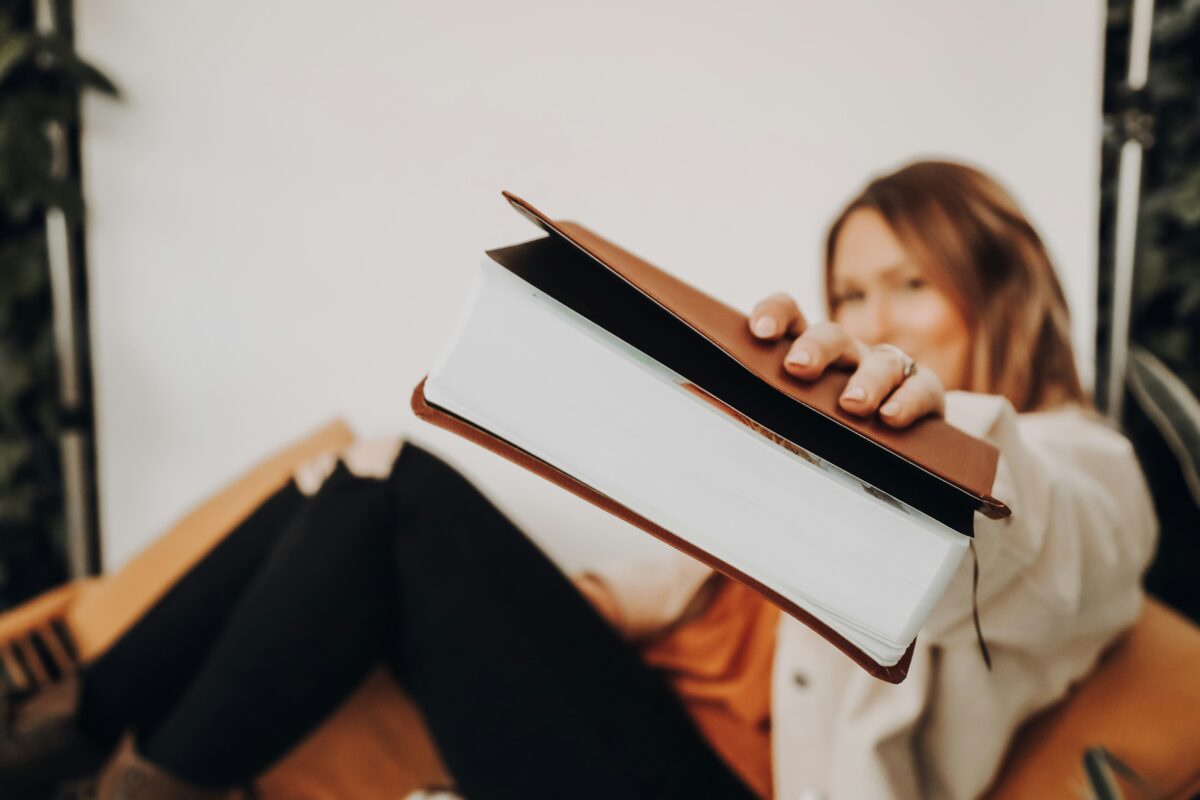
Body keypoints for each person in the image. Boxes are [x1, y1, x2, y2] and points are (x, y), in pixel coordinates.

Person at [4, 160, 1158, 800]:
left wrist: (942, 444)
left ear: (1001, 288)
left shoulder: (1076, 460)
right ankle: (64, 737)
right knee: (349, 483)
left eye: (910, 283)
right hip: (623, 709)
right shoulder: (826, 455)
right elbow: (687, 602)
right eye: (849, 294)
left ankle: (79, 756)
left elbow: (1057, 553)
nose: (870, 320)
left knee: (398, 496)